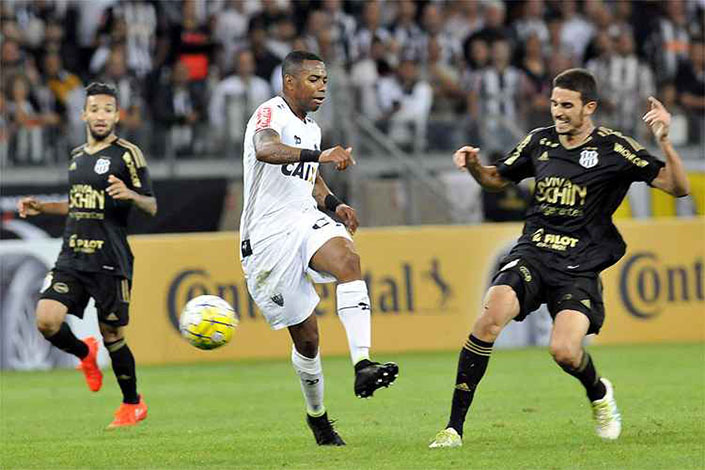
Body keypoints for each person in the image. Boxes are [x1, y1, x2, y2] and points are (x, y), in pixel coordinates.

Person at [429, 68, 690, 448]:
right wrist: (472, 166)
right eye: (553, 103)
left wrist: (665, 141)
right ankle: (453, 428)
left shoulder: (615, 149)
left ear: (589, 107)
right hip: (534, 253)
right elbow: (497, 178)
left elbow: (677, 188)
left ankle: (599, 393)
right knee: (489, 317)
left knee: (564, 352)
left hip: (580, 266)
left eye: (567, 105)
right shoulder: (539, 142)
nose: (557, 111)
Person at [239, 51, 398, 446]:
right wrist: (321, 155)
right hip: (266, 238)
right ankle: (318, 418)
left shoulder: (312, 128)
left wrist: (335, 205)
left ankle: (362, 363)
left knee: (348, 260)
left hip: (302, 219)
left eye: (325, 80)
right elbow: (266, 150)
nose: (322, 86)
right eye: (313, 79)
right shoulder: (269, 114)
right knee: (307, 340)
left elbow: (310, 181)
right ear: (289, 83)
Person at [17, 82, 157, 429]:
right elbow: (77, 205)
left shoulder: (127, 154)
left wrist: (130, 194)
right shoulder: (77, 156)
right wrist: (43, 207)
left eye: (107, 109)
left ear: (117, 115)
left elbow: (151, 205)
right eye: (94, 109)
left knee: (113, 336)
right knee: (46, 320)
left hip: (110, 259)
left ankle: (132, 404)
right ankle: (84, 353)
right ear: (84, 114)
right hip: (73, 255)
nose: (100, 115)